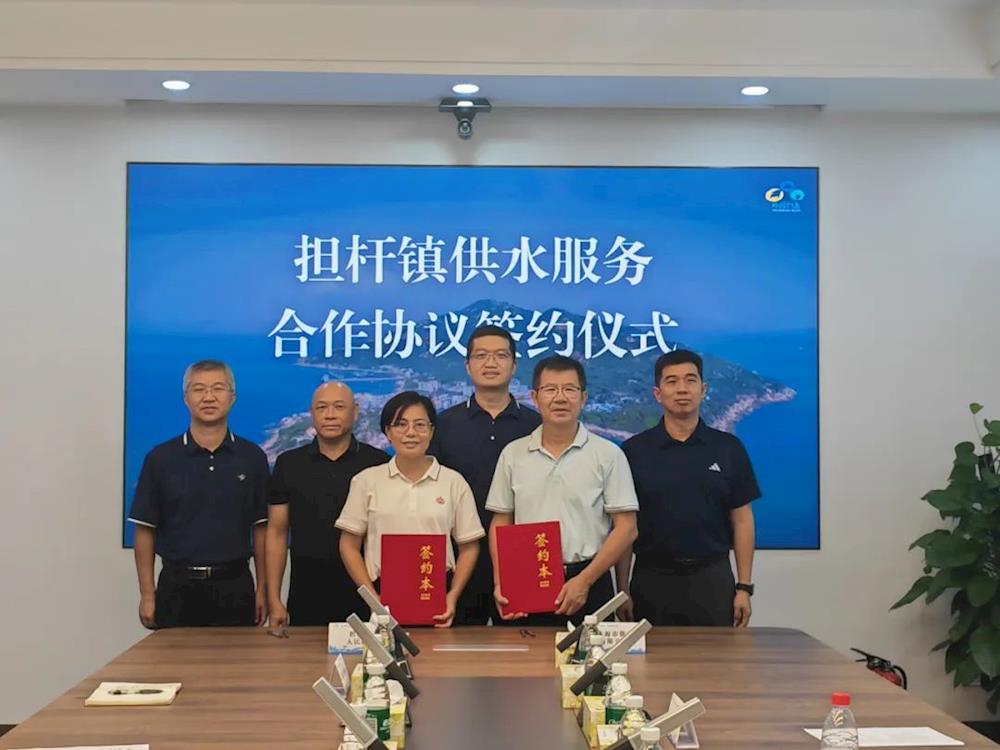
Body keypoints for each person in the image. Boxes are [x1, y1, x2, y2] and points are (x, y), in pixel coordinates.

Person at [486, 355, 638, 625]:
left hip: (590, 579)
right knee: (528, 653)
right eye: (550, 389)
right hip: (527, 580)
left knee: (591, 653)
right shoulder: (513, 454)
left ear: (583, 397)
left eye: (569, 389)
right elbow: (501, 521)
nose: (560, 398)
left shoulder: (608, 454)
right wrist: (502, 582)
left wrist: (585, 580)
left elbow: (627, 528)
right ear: (535, 397)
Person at [620, 349, 760, 627]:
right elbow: (624, 525)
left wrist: (744, 587)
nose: (682, 389)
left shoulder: (729, 448)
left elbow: (743, 520)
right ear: (657, 393)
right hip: (651, 579)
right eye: (672, 381)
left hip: (712, 578)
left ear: (703, 389)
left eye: (690, 380)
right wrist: (622, 589)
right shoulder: (634, 451)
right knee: (649, 656)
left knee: (715, 655)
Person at [128, 359, 269, 628]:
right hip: (176, 587)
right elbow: (145, 530)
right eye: (199, 389)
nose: (208, 397)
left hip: (235, 587)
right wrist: (147, 594)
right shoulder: (160, 459)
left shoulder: (253, 458)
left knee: (238, 657)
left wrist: (262, 589)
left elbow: (261, 529)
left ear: (232, 397)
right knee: (174, 658)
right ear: (186, 398)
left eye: (218, 388)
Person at [335, 391, 485, 627]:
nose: (411, 432)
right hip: (380, 593)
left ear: (432, 431)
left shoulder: (453, 482)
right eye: (401, 424)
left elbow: (469, 546)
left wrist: (452, 595)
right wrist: (373, 600)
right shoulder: (366, 481)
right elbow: (348, 545)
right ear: (387, 432)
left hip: (438, 593)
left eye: (420, 425)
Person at [429, 325, 541, 625]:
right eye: (481, 356)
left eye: (500, 355)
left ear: (514, 365)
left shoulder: (537, 426)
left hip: (522, 557)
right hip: (460, 556)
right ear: (468, 365)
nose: (491, 363)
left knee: (526, 646)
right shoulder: (444, 425)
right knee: (455, 645)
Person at [266, 382, 389, 627]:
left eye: (339, 407)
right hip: (307, 595)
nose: (330, 415)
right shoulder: (289, 464)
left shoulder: (378, 463)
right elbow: (277, 532)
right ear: (312, 414)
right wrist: (274, 599)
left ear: (355, 412)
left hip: (367, 596)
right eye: (322, 408)